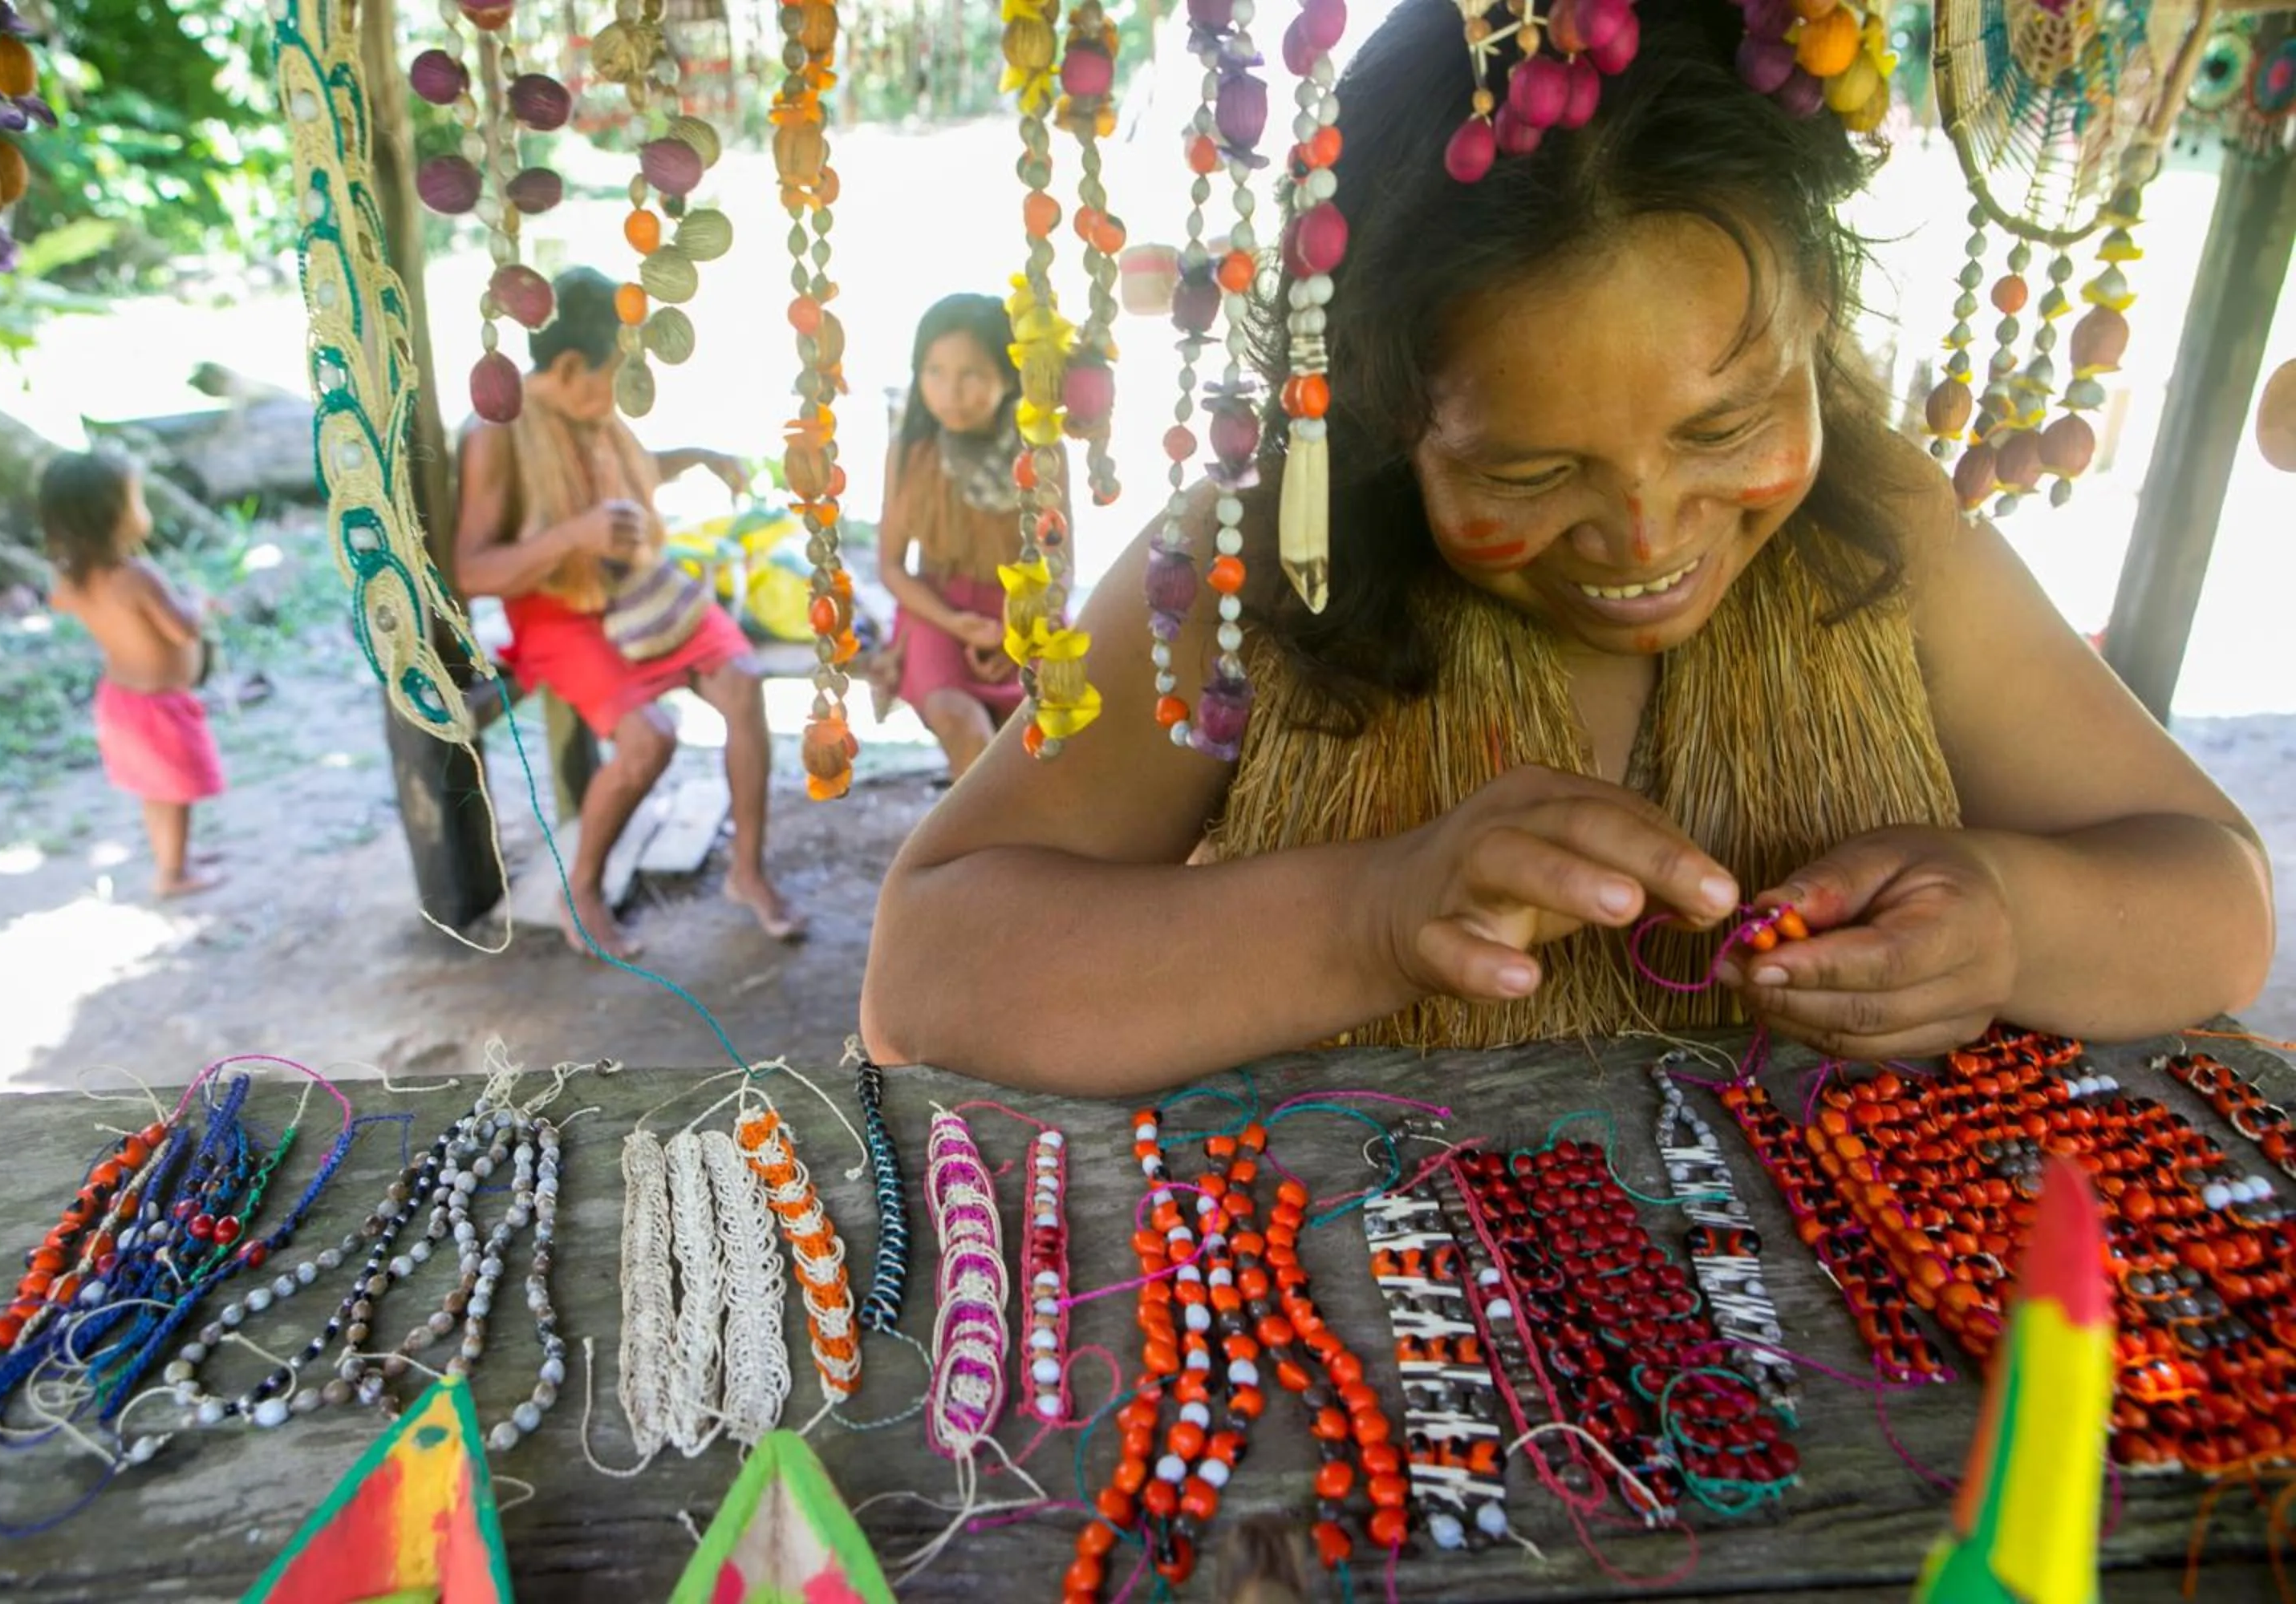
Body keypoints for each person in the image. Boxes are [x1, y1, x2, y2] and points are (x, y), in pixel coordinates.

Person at [862, 0, 2274, 1095]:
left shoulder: (1882, 531)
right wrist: (1371, 918)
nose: (1646, 535)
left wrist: (2013, 922)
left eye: (1727, 428)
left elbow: (2216, 897)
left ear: (1821, 329)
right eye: (1527, 471)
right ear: (1379, 415)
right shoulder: (1250, 565)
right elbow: (927, 975)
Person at [454, 266, 804, 954]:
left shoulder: (591, 408)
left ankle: (747, 872)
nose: (626, 389)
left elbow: (629, 472)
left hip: (640, 588)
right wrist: (573, 538)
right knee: (650, 739)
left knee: (742, 682)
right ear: (571, 366)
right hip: (555, 610)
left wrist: (696, 459)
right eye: (618, 372)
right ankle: (582, 888)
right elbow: (471, 569)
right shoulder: (499, 426)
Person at [874, 293, 1050, 780]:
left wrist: (1016, 634)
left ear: (1008, 376)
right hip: (935, 611)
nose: (949, 392)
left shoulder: (1040, 450)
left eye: (970, 374)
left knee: (1037, 744)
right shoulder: (909, 453)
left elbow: (1059, 566)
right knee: (963, 725)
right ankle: (985, 832)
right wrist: (957, 624)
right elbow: (891, 568)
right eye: (934, 372)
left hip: (1026, 613)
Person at [41, 451, 225, 900]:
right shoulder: (138, 577)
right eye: (136, 499)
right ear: (115, 515)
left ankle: (173, 858)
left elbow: (61, 602)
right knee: (177, 792)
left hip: (121, 703)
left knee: (156, 790)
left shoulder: (74, 580)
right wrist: (197, 601)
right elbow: (182, 630)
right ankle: (174, 875)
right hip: (160, 706)